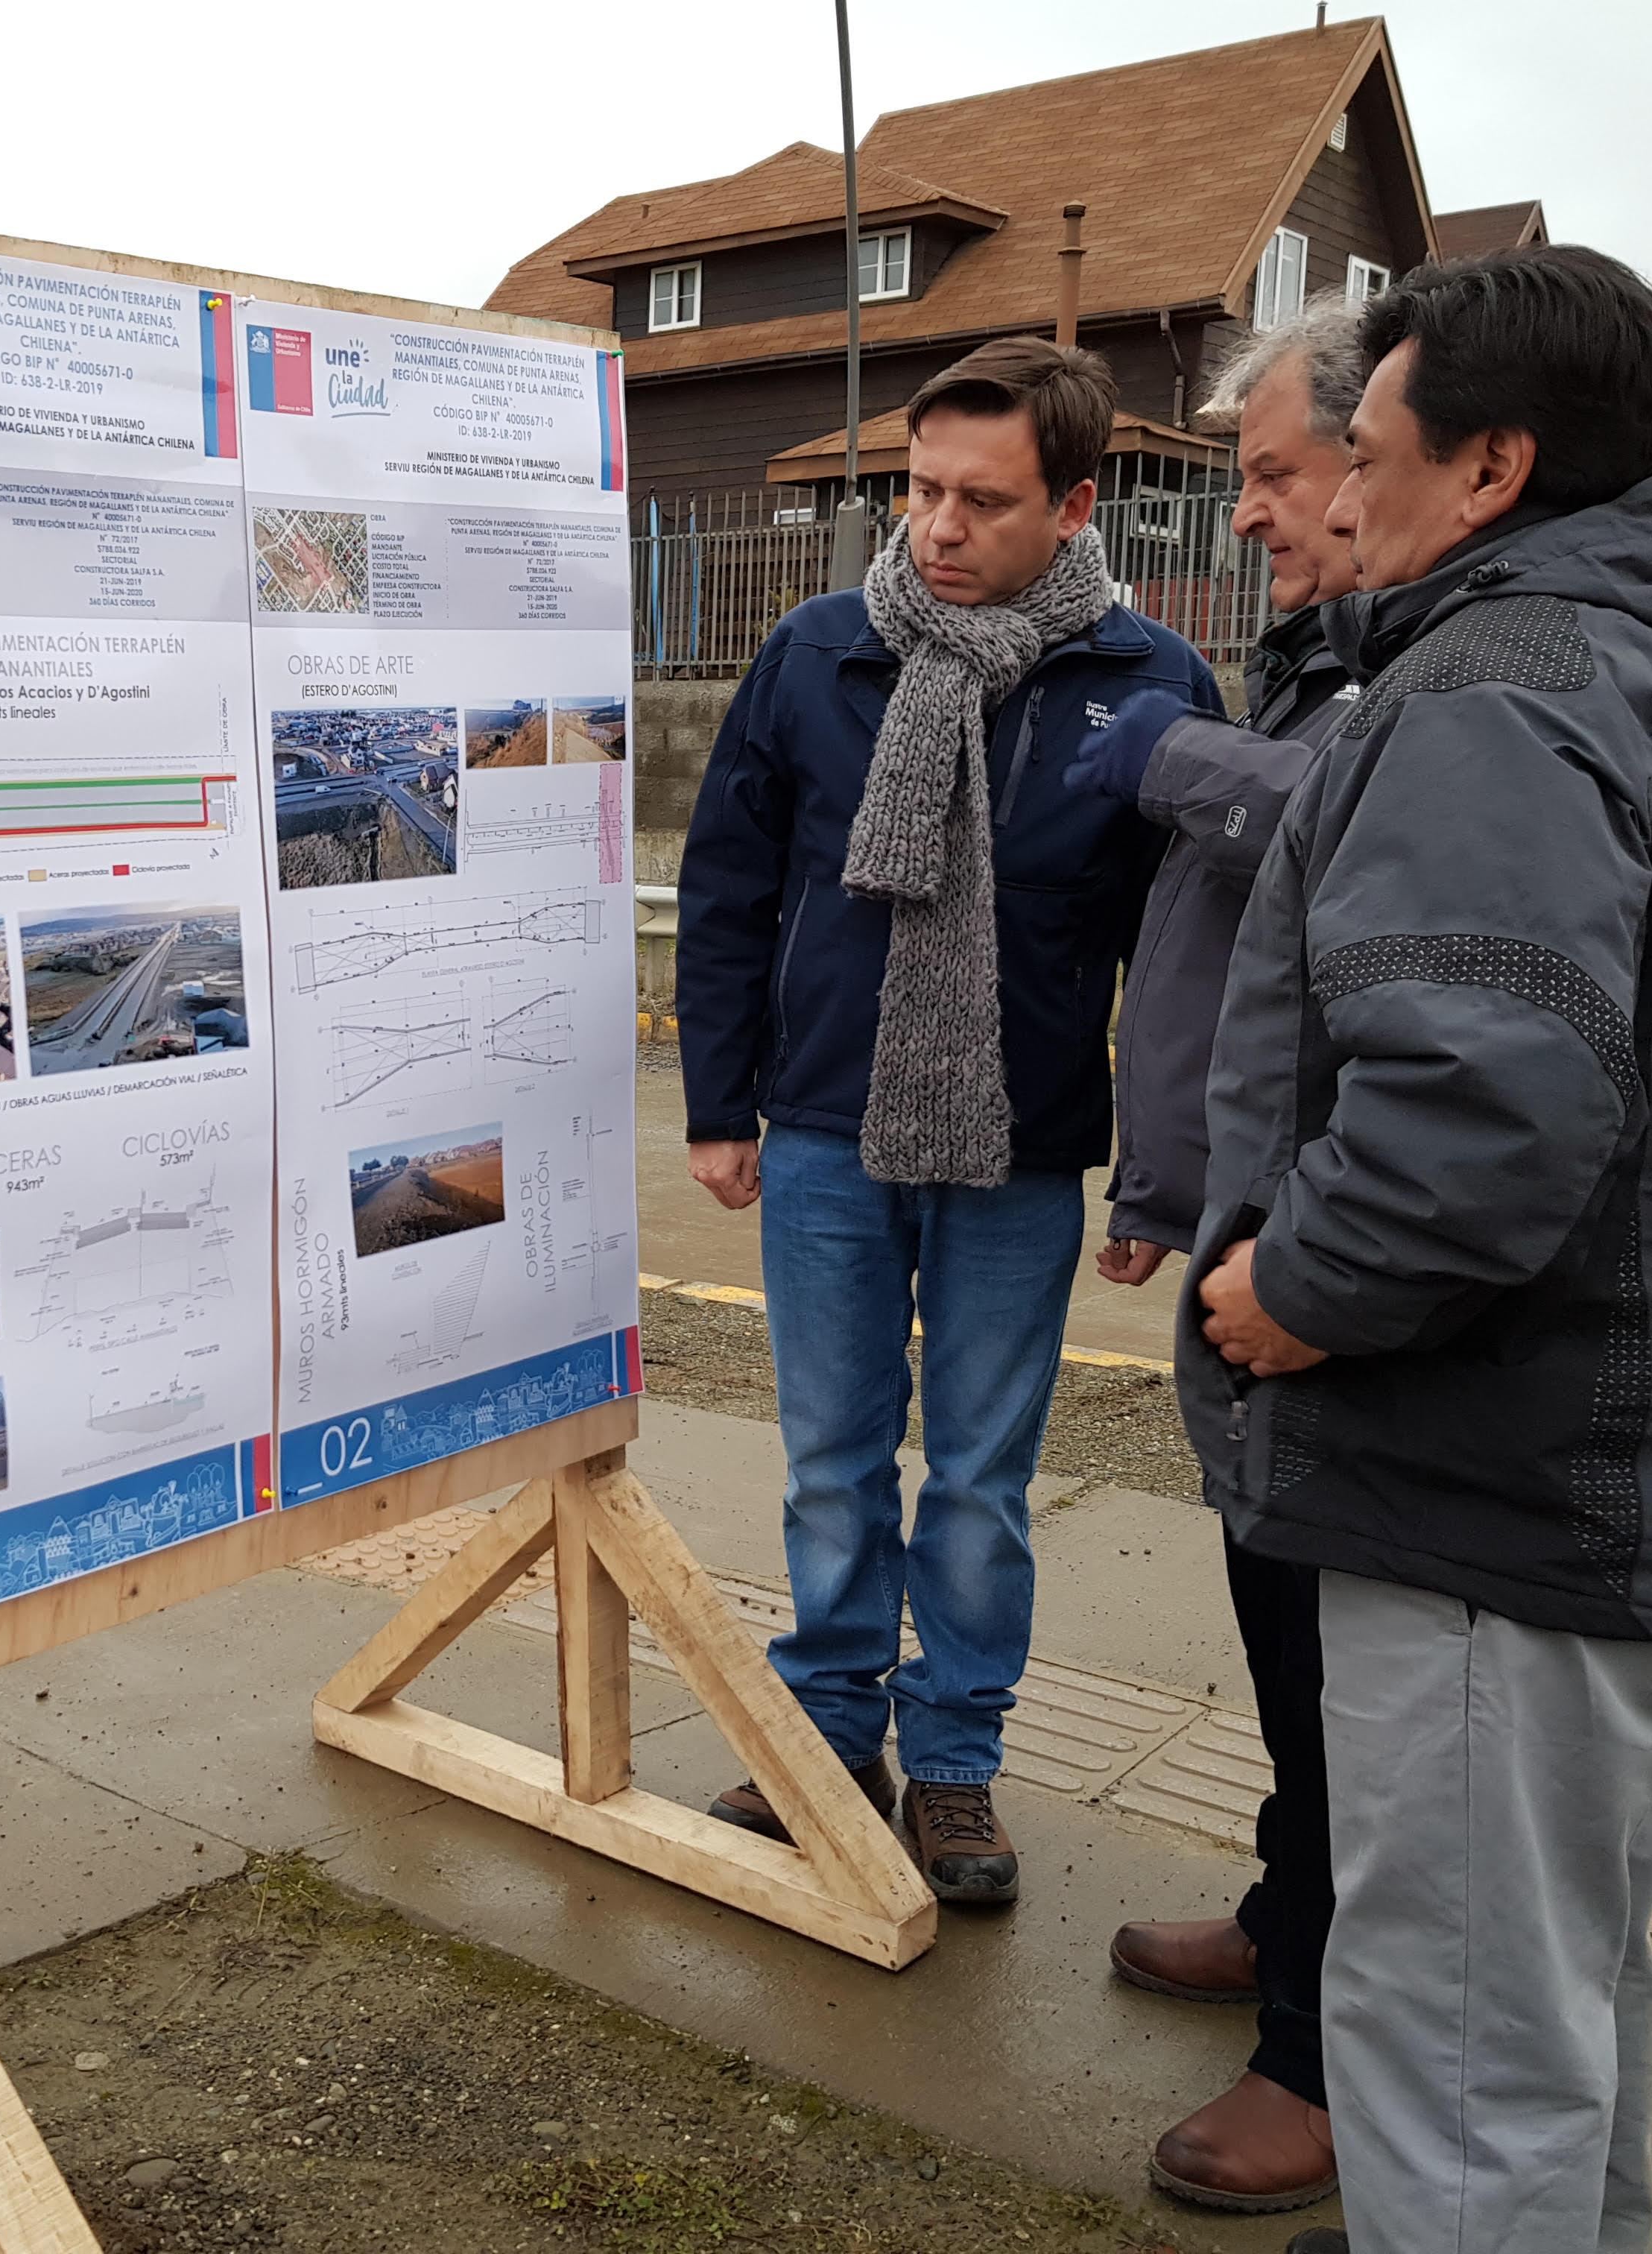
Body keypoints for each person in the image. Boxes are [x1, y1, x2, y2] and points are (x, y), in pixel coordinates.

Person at [1185, 244, 1652, 2254]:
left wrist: (1296, 1288)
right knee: (1549, 2018)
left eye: (1363, 449)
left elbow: (1485, 1110)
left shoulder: (1500, 686)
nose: (1332, 491)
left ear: (1491, 472)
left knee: (1457, 2056)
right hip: (1627, 1473)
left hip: (1507, 1492)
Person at [677, 335, 1222, 1901]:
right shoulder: (817, 652)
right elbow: (727, 887)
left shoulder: (1149, 684)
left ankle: (960, 1764)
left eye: (982, 501)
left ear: (1075, 504)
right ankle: (830, 1733)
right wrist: (723, 1104)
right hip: (826, 1131)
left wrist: (1157, 1183)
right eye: (918, 491)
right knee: (831, 1459)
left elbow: (1179, 963)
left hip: (1022, 1149)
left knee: (982, 1476)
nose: (938, 528)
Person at [1066, 298, 1367, 2216]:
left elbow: (1340, 845)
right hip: (1260, 1235)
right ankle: (1291, 1916)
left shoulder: (1429, 687)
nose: (1246, 512)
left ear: (1407, 449)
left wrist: (1166, 757)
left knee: (1346, 1668)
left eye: (1270, 473)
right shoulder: (1328, 658)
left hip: (1335, 1280)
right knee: (1284, 1643)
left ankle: (1326, 2053)